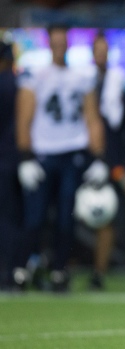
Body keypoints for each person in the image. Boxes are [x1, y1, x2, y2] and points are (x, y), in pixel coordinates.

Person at [14, 25, 107, 292]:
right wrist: (25, 156)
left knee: (67, 218)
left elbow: (92, 118)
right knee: (35, 216)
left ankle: (58, 270)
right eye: (56, 42)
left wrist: (98, 157)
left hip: (72, 153)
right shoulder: (36, 76)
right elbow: (25, 117)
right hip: (43, 153)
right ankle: (22, 267)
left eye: (63, 42)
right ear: (49, 43)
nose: (60, 47)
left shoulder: (81, 77)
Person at [87, 30, 125, 290]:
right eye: (96, 51)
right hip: (82, 158)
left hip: (113, 162)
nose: (100, 56)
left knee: (106, 214)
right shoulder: (83, 81)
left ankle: (98, 272)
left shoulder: (119, 83)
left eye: (104, 51)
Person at [0, 33, 20, 291]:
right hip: (14, 159)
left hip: (5, 159)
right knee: (12, 218)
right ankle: (13, 269)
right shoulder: (16, 83)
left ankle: (8, 271)